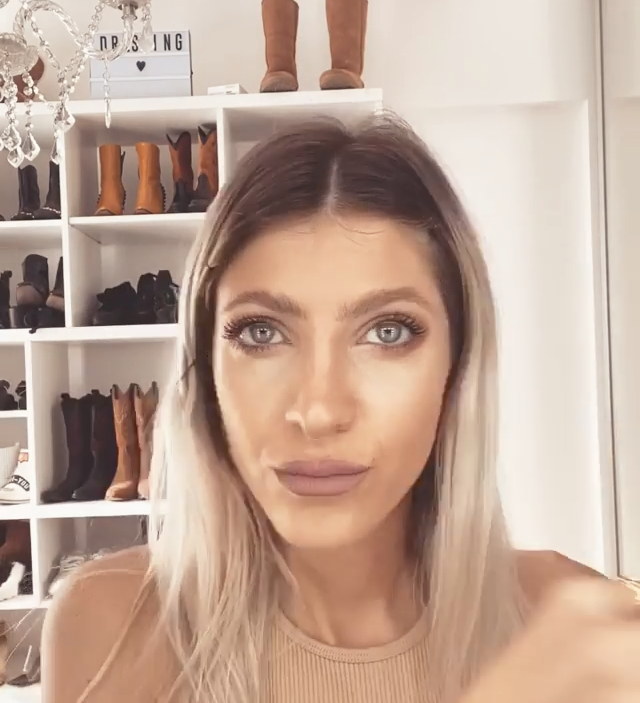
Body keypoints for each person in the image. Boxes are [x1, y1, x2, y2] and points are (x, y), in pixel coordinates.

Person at [42, 114, 640, 703]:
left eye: (387, 332)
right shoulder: (108, 627)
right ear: (205, 369)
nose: (320, 411)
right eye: (261, 333)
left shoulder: (577, 629)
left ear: (457, 367)